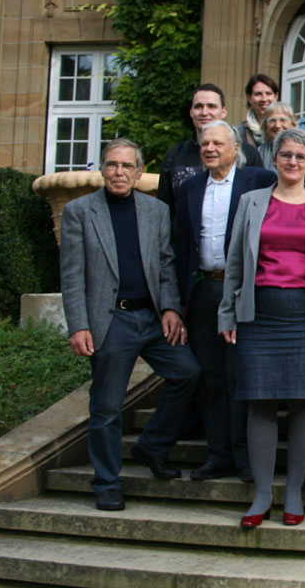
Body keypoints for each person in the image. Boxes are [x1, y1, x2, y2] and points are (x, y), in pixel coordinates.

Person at [61, 139, 200, 511]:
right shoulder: (80, 211)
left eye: (126, 166)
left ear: (139, 173)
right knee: (106, 407)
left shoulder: (155, 210)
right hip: (112, 319)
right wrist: (78, 325)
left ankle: (151, 445)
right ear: (102, 170)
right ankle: (106, 482)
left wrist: (172, 308)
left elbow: (167, 264)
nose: (119, 172)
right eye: (111, 165)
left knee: (187, 372)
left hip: (153, 318)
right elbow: (72, 275)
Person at [219, 127, 305, 529]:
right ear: (274, 159)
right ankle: (260, 493)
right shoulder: (252, 201)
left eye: (300, 157)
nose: (292, 162)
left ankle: (293, 492)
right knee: (260, 402)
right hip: (259, 314)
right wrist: (227, 313)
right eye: (286, 155)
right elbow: (234, 260)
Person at [173, 121, 275, 483]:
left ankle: (248, 457)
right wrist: (178, 302)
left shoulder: (260, 180)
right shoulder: (190, 187)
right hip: (205, 291)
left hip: (246, 292)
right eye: (205, 143)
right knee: (213, 377)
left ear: (236, 148)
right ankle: (218, 455)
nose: (210, 148)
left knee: (242, 376)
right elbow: (181, 246)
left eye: (218, 143)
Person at [155, 83, 261, 210]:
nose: (204, 112)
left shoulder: (247, 153)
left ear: (223, 112)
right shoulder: (174, 155)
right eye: (199, 106)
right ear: (191, 112)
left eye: (211, 106)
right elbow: (164, 206)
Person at [237, 74, 279, 148]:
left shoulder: (287, 128)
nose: (264, 99)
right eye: (258, 94)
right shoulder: (240, 133)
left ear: (276, 96)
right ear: (249, 98)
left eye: (268, 94)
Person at [257, 102, 297, 170]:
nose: (277, 125)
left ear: (292, 124)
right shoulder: (261, 151)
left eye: (283, 120)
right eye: (272, 121)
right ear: (265, 126)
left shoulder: (302, 149)